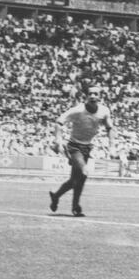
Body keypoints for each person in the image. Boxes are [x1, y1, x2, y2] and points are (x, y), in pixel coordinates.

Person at [48, 85, 115, 217]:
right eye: (90, 94)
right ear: (86, 96)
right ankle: (76, 207)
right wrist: (58, 140)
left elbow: (110, 128)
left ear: (100, 97)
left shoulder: (104, 111)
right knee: (84, 173)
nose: (93, 96)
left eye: (96, 94)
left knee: (75, 180)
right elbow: (59, 122)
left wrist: (112, 145)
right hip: (74, 146)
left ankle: (56, 195)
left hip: (87, 147)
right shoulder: (78, 110)